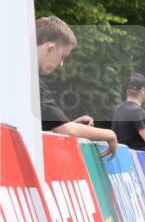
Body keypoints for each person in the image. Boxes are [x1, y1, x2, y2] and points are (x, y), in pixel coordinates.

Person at [36, 16, 119, 158]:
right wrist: (110, 134)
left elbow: (61, 127)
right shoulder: (32, 81)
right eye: (62, 56)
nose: (61, 63)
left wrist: (67, 124)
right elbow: (67, 130)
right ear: (50, 48)